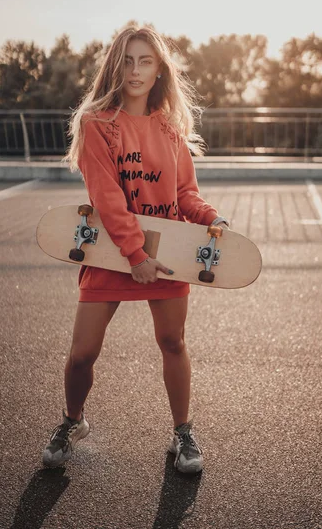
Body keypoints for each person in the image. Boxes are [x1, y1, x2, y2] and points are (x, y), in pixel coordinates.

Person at [42, 24, 229, 474]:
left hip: (163, 254)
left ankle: (182, 432)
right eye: (127, 60)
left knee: (172, 341)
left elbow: (185, 193)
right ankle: (73, 421)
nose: (135, 70)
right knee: (82, 352)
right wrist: (135, 255)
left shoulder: (169, 129)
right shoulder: (97, 124)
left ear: (159, 69)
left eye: (145, 60)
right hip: (112, 250)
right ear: (114, 66)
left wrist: (209, 217)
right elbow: (107, 197)